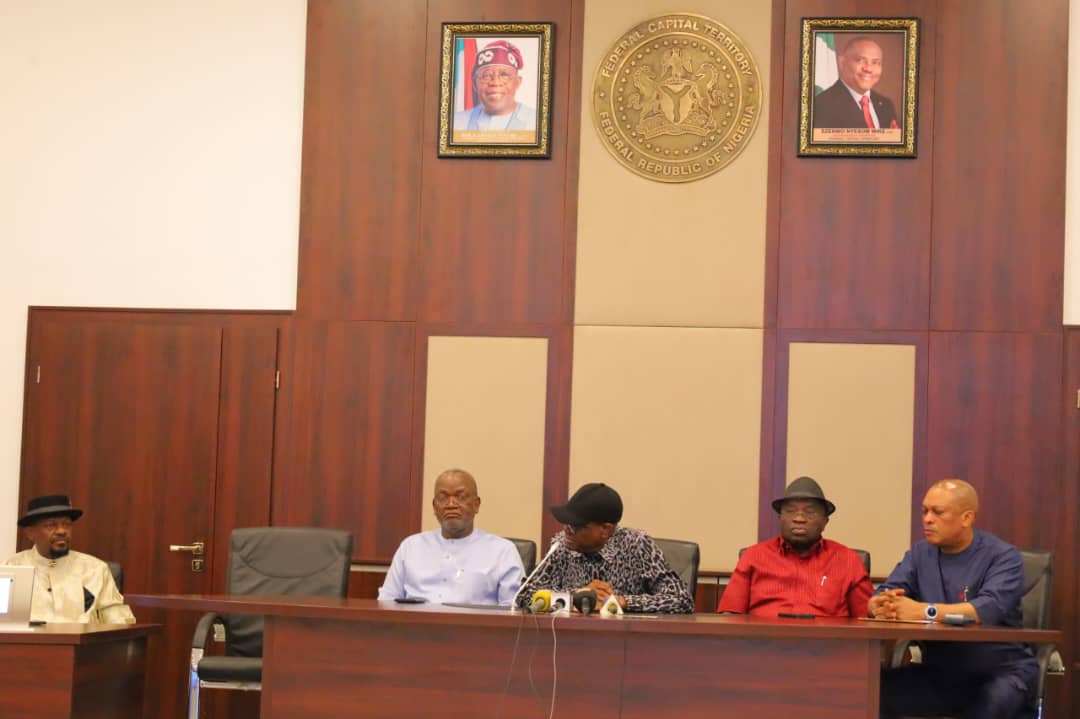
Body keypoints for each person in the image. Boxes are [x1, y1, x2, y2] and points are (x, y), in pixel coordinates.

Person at [871, 479, 1038, 719]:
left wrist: (923, 612)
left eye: (937, 512)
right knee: (872, 691)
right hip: (941, 675)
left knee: (993, 702)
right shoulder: (919, 554)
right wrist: (879, 604)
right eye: (925, 511)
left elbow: (987, 609)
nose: (927, 519)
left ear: (967, 518)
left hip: (999, 673)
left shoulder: (1003, 556)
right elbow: (890, 590)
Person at [514, 483, 693, 613]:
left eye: (576, 525)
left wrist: (622, 601)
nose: (566, 530)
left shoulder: (637, 544)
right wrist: (577, 597)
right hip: (568, 644)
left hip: (627, 647)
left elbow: (681, 599)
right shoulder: (562, 545)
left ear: (605, 529)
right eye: (566, 523)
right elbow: (524, 596)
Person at [718, 476, 872, 616]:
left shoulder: (848, 560)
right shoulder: (753, 557)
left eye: (809, 512)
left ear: (825, 522)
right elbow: (730, 615)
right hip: (763, 644)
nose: (799, 518)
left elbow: (867, 620)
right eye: (791, 511)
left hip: (828, 645)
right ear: (780, 518)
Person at [378, 469, 523, 605]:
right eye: (443, 498)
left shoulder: (503, 551)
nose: (451, 504)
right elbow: (387, 601)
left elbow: (513, 611)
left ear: (476, 505)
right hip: (416, 630)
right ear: (434, 507)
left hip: (475, 631)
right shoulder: (410, 547)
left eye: (461, 497)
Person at [1, 494, 135, 623]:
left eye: (66, 524)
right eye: (51, 525)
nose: (61, 531)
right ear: (30, 533)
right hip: (26, 646)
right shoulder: (10, 569)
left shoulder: (95, 570)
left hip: (82, 646)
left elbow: (119, 622)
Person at [812, 37, 899, 130]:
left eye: (876, 62)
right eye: (861, 60)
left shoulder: (886, 105)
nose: (868, 69)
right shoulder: (821, 105)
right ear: (842, 62)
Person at [453, 40, 536, 133]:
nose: (495, 82)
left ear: (517, 82)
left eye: (504, 75)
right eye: (486, 75)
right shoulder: (456, 123)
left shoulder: (536, 122)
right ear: (475, 84)